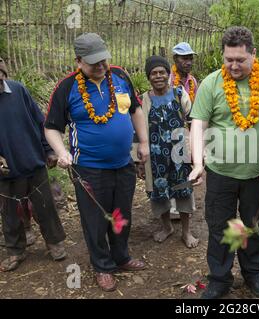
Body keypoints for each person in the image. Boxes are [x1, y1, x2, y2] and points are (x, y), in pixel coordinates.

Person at [189, 26, 259, 299]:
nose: (233, 65)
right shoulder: (211, 83)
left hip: (258, 173)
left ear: (253, 54)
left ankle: (253, 273)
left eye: (240, 60)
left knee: (252, 225)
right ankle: (219, 279)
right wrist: (198, 163)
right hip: (220, 171)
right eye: (228, 59)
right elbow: (198, 124)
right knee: (220, 226)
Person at [44, 33, 149, 292]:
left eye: (103, 59)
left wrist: (144, 142)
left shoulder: (120, 76)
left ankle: (121, 256)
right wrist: (62, 152)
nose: (101, 66)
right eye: (93, 62)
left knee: (121, 214)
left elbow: (136, 110)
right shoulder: (67, 87)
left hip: (123, 164)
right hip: (89, 168)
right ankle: (102, 265)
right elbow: (51, 128)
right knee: (95, 220)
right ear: (78, 61)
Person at [0, 56, 67, 272]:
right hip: (6, 171)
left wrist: (48, 150)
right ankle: (15, 251)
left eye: (1, 62)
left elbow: (41, 122)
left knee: (45, 205)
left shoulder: (18, 90)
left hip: (33, 162)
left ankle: (54, 242)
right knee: (10, 213)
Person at [133, 55, 198, 248]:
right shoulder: (144, 99)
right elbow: (137, 130)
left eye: (162, 72)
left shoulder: (179, 94)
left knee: (183, 189)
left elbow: (193, 120)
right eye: (154, 73)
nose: (158, 76)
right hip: (155, 155)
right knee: (158, 191)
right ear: (148, 77)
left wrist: (195, 151)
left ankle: (186, 232)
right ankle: (167, 226)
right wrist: (138, 160)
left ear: (168, 75)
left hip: (179, 152)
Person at [169, 42, 199, 220]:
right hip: (171, 130)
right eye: (183, 58)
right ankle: (172, 209)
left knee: (186, 168)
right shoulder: (167, 79)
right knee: (172, 168)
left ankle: (186, 206)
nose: (187, 62)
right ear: (175, 59)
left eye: (190, 58)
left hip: (188, 130)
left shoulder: (192, 81)